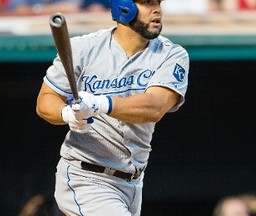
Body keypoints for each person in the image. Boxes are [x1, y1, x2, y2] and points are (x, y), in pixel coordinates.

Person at [36, 0, 189, 215]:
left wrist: (99, 104)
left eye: (158, 3)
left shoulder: (171, 54)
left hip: (134, 182)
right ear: (123, 7)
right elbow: (46, 100)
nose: (157, 10)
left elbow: (155, 107)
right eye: (147, 3)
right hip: (86, 176)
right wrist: (67, 113)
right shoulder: (84, 48)